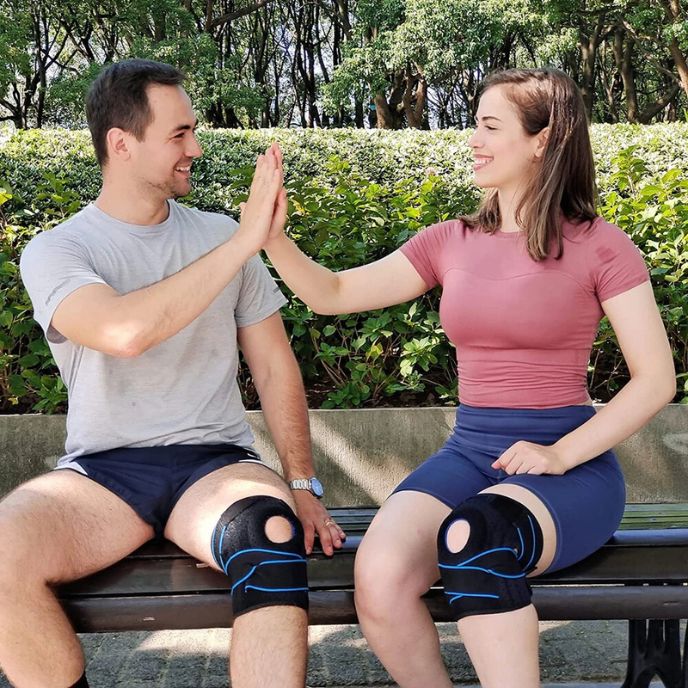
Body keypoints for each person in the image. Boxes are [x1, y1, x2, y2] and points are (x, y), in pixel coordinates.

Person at [249, 68, 676, 687]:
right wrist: (275, 238)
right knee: (381, 573)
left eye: (489, 125)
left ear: (543, 138)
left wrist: (560, 455)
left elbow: (655, 379)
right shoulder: (450, 241)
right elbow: (332, 292)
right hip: (472, 452)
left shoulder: (601, 247)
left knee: (475, 538)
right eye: (474, 123)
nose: (472, 139)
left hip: (568, 467)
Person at [0, 58, 345, 688]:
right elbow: (123, 333)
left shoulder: (218, 233)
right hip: (104, 474)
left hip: (216, 463)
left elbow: (273, 367)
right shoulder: (59, 249)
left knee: (269, 535)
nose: (196, 147)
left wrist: (302, 482)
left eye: (194, 131)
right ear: (122, 145)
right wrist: (244, 242)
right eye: (179, 134)